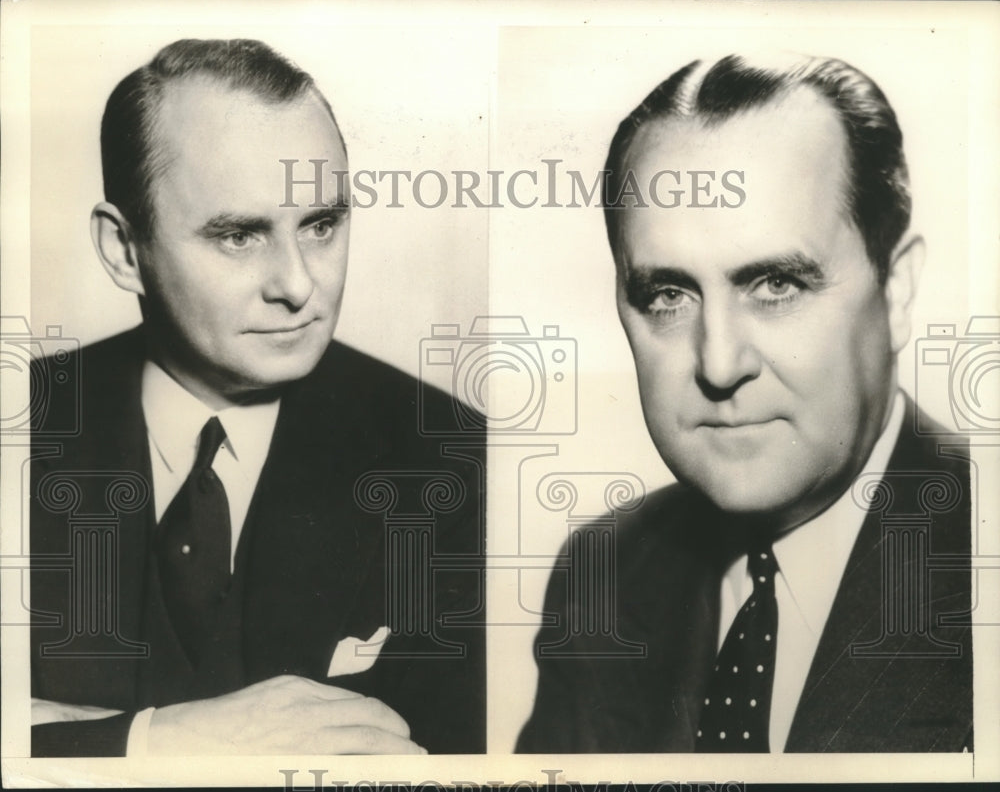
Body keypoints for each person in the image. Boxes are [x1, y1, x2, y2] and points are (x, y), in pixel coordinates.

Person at [30, 38, 485, 757]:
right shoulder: (23, 423)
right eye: (239, 235)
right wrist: (158, 740)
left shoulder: (458, 460)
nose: (300, 284)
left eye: (322, 225)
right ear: (124, 250)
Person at [517, 53, 972, 753]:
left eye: (776, 285)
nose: (720, 363)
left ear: (898, 288)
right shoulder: (602, 575)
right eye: (667, 295)